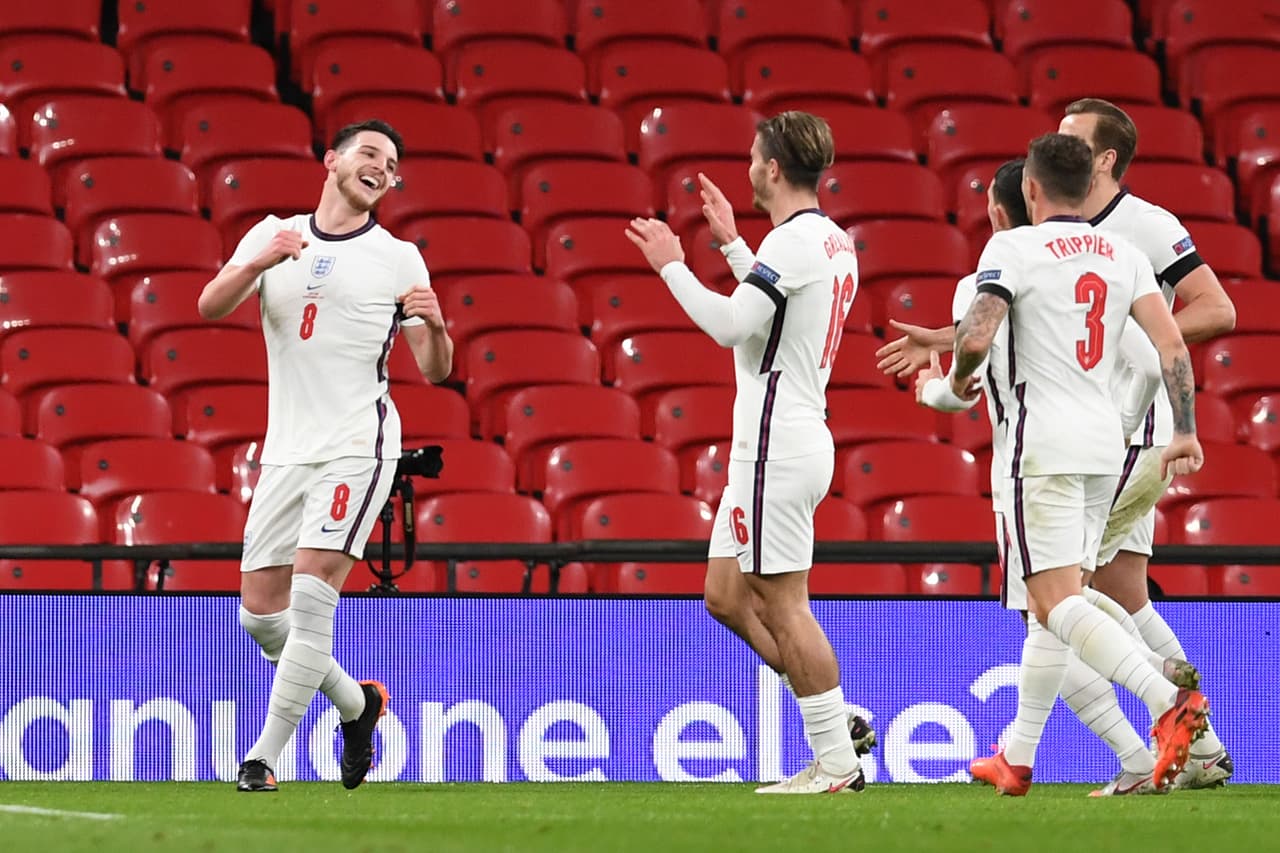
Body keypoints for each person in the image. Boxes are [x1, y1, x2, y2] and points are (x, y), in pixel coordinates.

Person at [915, 159, 1195, 797]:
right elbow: (1169, 348)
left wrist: (944, 386)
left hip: (1037, 448)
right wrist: (1183, 429)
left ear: (1031, 190)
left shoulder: (1010, 249)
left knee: (1052, 602)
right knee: (1052, 611)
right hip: (1107, 447)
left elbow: (978, 340)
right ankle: (1018, 757)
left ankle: (1162, 695)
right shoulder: (1122, 252)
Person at [197, 119, 454, 793]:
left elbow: (435, 367)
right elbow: (209, 305)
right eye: (370, 153)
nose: (381, 167)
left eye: (392, 164)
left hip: (357, 444)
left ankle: (263, 757)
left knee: (312, 596)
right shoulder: (273, 233)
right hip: (286, 451)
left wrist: (438, 324)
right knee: (259, 614)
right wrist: (257, 262)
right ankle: (357, 704)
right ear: (332, 159)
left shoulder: (398, 257)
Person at [625, 111, 867, 794]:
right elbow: (775, 317)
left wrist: (671, 264)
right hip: (788, 436)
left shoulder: (792, 245)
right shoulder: (829, 240)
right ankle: (832, 719)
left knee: (784, 602)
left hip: (774, 445)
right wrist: (733, 245)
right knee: (726, 594)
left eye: (753, 156)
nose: (748, 166)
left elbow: (734, 324)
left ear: (771, 169)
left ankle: (835, 761)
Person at [1059, 98, 1235, 788]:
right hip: (1112, 434)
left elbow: (1219, 307)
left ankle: (1153, 743)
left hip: (1133, 431)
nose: (1053, 142)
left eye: (1071, 137)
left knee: (1055, 594)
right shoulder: (1065, 228)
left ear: (1105, 159)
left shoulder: (1147, 225)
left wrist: (1132, 346)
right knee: (1124, 594)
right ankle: (1204, 748)